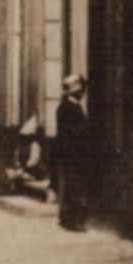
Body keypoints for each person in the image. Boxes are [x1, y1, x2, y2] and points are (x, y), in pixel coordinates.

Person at [53, 74, 91, 231]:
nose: (82, 94)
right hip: (73, 153)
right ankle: (73, 221)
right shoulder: (70, 109)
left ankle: (66, 218)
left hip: (69, 153)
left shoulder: (65, 107)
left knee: (70, 184)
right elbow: (74, 133)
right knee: (74, 186)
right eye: (80, 91)